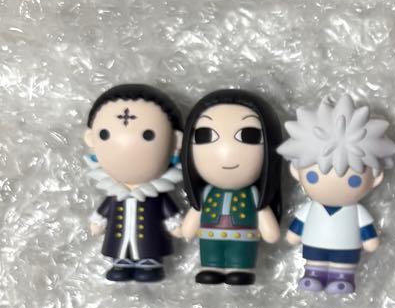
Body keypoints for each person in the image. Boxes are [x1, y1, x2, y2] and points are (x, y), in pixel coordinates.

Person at [277, 95, 395, 295]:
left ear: (375, 178)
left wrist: (369, 239)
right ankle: (312, 275)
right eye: (314, 177)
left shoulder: (355, 211)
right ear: (296, 171)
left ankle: (342, 278)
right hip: (315, 245)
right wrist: (294, 233)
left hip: (346, 249)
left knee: (343, 265)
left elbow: (366, 229)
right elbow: (298, 224)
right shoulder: (313, 208)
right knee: (314, 262)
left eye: (354, 181)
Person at [179, 89, 282, 285]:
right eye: (204, 135)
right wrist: (188, 228)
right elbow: (194, 214)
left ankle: (239, 268)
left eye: (249, 135)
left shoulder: (253, 194)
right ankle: (211, 267)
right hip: (210, 236)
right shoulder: (206, 193)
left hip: (243, 238)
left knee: (239, 256)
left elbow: (267, 224)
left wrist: (269, 230)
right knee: (210, 254)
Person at [84, 84, 184, 283]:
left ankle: (149, 265)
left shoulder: (156, 195)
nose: (126, 148)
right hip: (119, 240)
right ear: (91, 139)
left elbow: (169, 212)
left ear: (175, 142)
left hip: (151, 244)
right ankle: (121, 263)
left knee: (148, 255)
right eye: (104, 134)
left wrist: (176, 225)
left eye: (148, 135)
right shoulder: (115, 194)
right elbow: (105, 209)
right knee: (121, 254)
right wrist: (98, 221)